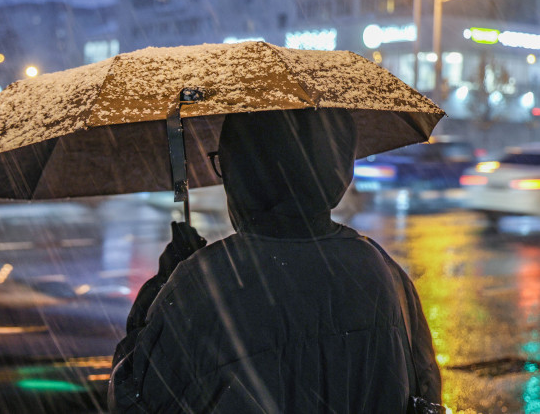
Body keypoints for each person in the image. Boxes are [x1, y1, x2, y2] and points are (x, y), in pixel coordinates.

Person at [108, 108, 441, 413]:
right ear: (335, 169)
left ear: (243, 170)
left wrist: (161, 292)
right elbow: (424, 391)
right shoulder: (383, 273)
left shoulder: (202, 286)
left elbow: (133, 401)